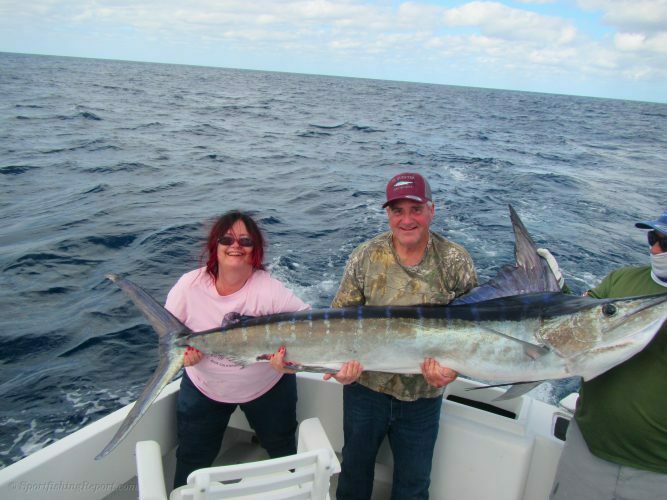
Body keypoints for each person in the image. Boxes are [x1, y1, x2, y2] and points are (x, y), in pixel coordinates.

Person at [331, 172, 479, 500]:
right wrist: (339, 367)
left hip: (422, 397)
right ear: (388, 214)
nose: (407, 219)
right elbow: (339, 320)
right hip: (365, 391)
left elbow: (476, 331)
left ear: (431, 210)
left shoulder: (455, 260)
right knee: (353, 474)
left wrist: (453, 370)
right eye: (398, 211)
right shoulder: (366, 256)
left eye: (416, 209)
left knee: (413, 486)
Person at [166, 210, 310, 488]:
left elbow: (309, 329)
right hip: (205, 388)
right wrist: (183, 356)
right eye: (227, 239)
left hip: (267, 389)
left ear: (255, 250)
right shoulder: (188, 286)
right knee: (191, 459)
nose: (236, 246)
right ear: (215, 245)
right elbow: (173, 339)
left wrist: (289, 362)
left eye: (245, 241)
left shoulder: (270, 290)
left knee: (283, 450)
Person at [550, 211, 667, 499]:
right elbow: (578, 324)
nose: (655, 249)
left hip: (658, 470)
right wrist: (560, 293)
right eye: (653, 238)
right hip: (587, 447)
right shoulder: (622, 279)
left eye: (665, 243)